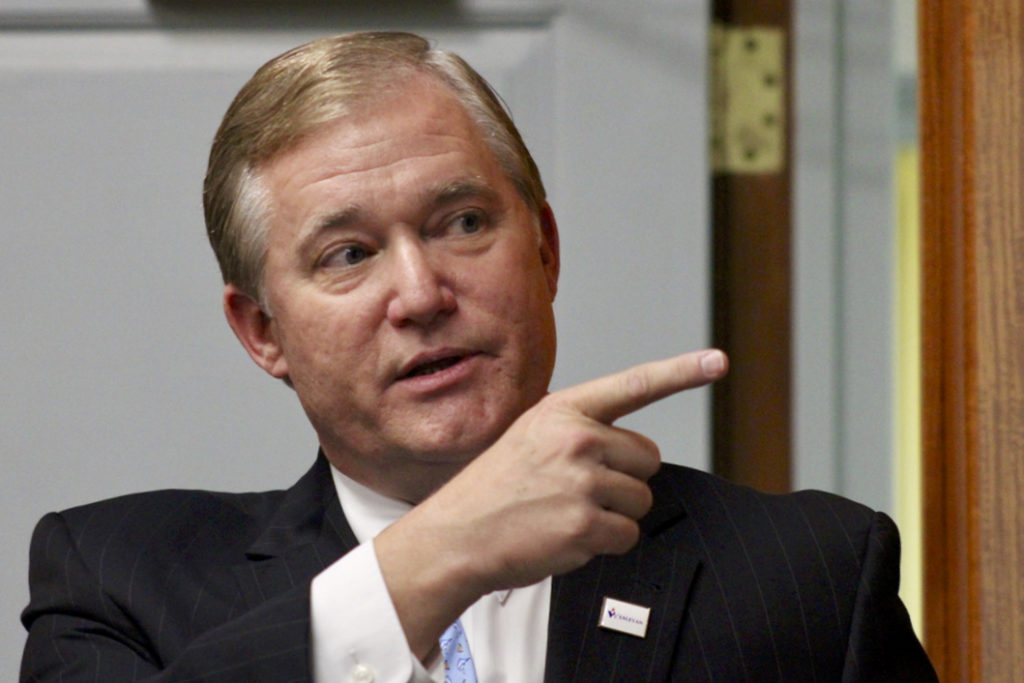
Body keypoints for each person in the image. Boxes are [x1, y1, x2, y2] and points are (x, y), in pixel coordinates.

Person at [20, 31, 936, 682]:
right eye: (348, 254)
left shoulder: (807, 573)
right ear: (262, 333)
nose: (419, 293)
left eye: (461, 222)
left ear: (546, 249)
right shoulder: (118, 577)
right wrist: (434, 558)